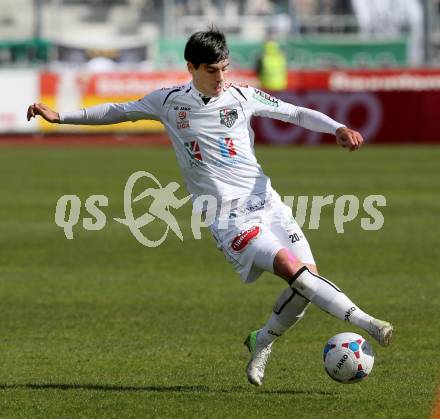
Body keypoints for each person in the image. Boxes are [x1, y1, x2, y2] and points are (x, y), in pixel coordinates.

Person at [27, 28, 393, 387]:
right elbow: (118, 111)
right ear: (191, 67)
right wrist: (61, 117)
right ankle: (367, 323)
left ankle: (262, 340)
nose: (221, 78)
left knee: (306, 282)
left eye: (225, 68)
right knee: (292, 269)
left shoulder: (242, 96)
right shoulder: (169, 101)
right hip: (228, 218)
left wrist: (337, 127)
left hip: (268, 203)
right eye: (212, 70)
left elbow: (295, 114)